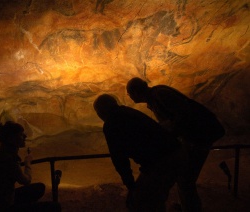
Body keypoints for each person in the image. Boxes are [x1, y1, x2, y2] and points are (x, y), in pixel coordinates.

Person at [126, 77, 225, 212]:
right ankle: (188, 206)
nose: (129, 96)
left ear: (136, 92)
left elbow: (183, 113)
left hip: (198, 138)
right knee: (184, 178)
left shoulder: (160, 94)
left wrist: (171, 133)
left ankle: (191, 209)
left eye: (129, 93)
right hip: (193, 138)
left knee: (186, 180)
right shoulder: (155, 97)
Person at [93, 94, 183, 211]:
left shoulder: (112, 123)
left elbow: (119, 159)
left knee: (142, 201)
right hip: (172, 152)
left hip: (161, 160)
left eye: (97, 112)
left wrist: (130, 186)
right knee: (153, 198)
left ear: (101, 111)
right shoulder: (127, 112)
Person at [0, 121, 61, 212]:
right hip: (4, 207)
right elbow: (26, 180)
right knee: (55, 207)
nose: (25, 136)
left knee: (40, 188)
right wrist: (27, 163)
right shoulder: (8, 159)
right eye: (21, 135)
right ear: (11, 139)